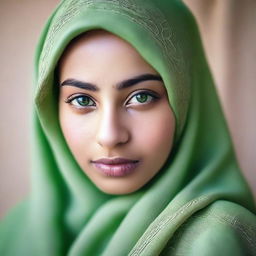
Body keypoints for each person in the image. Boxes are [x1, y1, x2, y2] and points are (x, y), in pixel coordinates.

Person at [0, 0, 255, 255]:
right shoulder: (16, 229)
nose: (110, 136)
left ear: (187, 99)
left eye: (142, 97)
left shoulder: (216, 240)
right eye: (82, 100)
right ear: (50, 108)